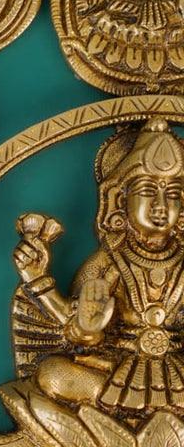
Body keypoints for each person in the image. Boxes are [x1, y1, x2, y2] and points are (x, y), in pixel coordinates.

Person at [13, 117, 184, 416]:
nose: (161, 206)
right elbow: (76, 328)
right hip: (116, 369)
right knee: (53, 374)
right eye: (147, 192)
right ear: (119, 200)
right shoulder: (107, 262)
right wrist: (39, 281)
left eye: (172, 195)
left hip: (177, 372)